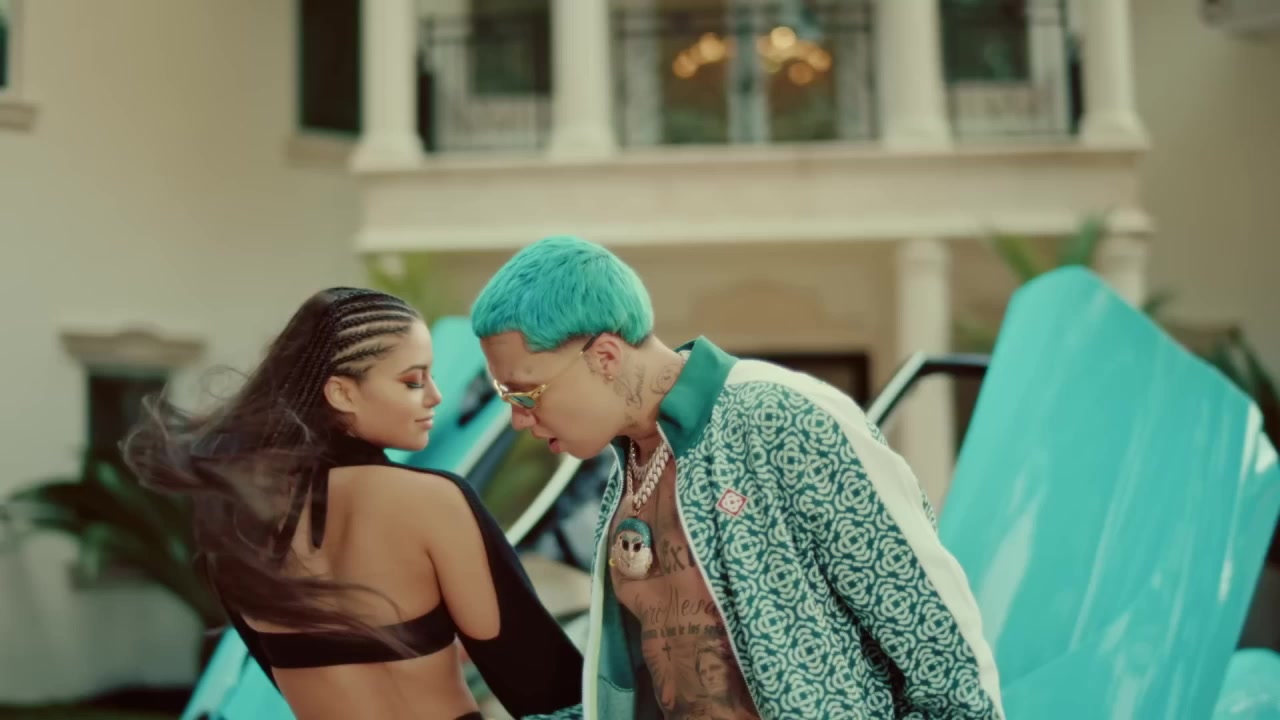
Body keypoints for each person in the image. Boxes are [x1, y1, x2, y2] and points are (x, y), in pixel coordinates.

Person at [471, 236, 1005, 719]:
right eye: (505, 397)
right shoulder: (626, 478)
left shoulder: (778, 415)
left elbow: (935, 637)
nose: (518, 418)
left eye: (525, 393)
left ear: (605, 356)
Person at [123, 287, 582, 720]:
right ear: (342, 392)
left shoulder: (241, 526)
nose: (435, 396)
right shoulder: (432, 502)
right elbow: (546, 686)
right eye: (413, 381)